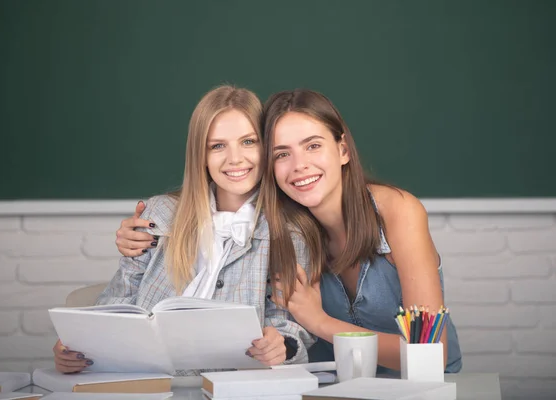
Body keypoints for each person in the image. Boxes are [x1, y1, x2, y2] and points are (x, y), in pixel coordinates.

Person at [114, 89, 462, 374]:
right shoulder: (284, 223)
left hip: (422, 386)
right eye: (282, 153)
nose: (299, 166)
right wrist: (156, 227)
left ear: (342, 150)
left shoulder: (395, 211)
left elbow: (431, 353)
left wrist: (321, 322)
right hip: (332, 385)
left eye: (313, 146)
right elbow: (215, 199)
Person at [52, 85, 317, 374]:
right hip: (150, 381)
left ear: (267, 147)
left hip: (235, 387)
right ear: (200, 156)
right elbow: (118, 300)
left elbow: (289, 325)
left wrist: (282, 344)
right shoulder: (160, 216)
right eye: (217, 146)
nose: (235, 159)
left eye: (248, 141)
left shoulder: (289, 232)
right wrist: (78, 345)